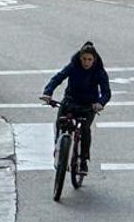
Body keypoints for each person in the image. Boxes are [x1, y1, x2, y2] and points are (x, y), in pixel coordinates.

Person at [41, 41, 112, 175]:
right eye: (84, 59)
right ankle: (59, 146)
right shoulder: (73, 67)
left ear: (94, 59)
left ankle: (83, 160)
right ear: (80, 58)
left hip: (88, 105)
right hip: (71, 101)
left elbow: (106, 92)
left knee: (85, 129)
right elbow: (58, 78)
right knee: (61, 122)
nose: (86, 62)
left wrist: (100, 103)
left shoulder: (99, 72)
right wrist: (48, 92)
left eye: (89, 59)